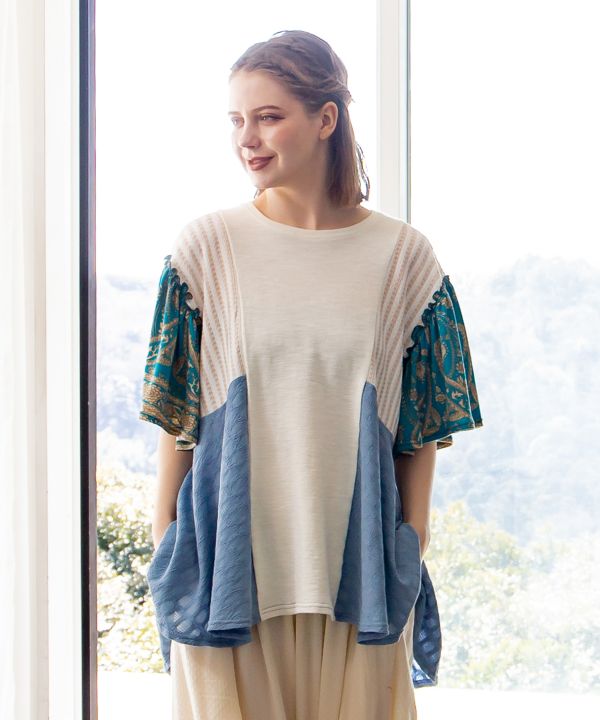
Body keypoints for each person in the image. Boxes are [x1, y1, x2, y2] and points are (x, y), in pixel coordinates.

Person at [138, 29, 483, 720]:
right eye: (236, 120)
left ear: (326, 119)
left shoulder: (403, 258)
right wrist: (165, 538)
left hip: (357, 580)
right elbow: (177, 419)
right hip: (228, 573)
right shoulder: (206, 249)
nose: (247, 139)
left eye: (268, 117)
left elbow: (421, 428)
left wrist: (411, 540)